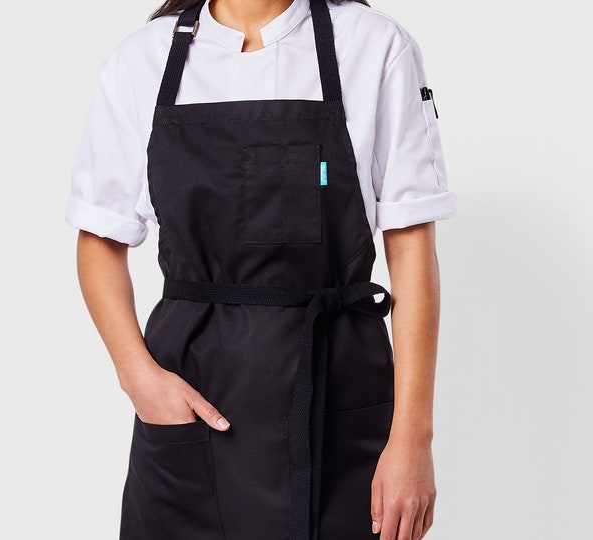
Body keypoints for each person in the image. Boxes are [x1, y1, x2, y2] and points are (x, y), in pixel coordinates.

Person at [64, 0, 457, 538]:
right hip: (190, 423)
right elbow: (99, 240)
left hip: (338, 406)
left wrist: (413, 438)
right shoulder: (142, 59)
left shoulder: (376, 46)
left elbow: (412, 248)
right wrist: (138, 378)